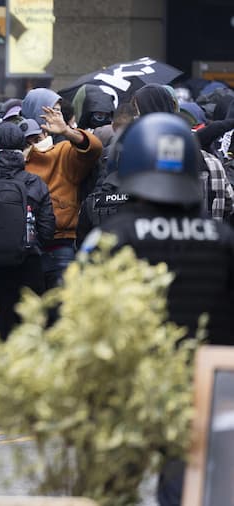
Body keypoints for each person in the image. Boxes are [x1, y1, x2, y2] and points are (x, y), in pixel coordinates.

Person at [78, 113, 234, 506]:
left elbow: (76, 314)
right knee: (189, 489)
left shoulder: (111, 237)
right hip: (203, 387)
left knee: (113, 489)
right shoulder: (221, 238)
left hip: (127, 383)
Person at [0, 122, 55, 339]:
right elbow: (47, 231)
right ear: (23, 146)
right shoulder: (35, 182)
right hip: (27, 269)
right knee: (26, 336)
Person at [21, 88, 103, 289]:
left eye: (59, 111)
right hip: (26, 246)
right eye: (49, 110)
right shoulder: (18, 152)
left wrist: (67, 131)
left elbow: (94, 148)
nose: (55, 116)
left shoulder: (64, 149)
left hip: (61, 244)